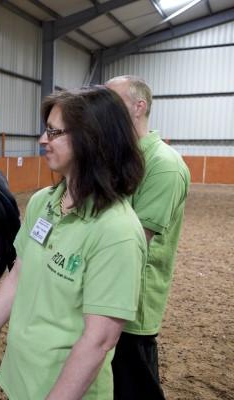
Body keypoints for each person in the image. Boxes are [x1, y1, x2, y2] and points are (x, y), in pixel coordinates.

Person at [0, 86, 148, 399]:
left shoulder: (117, 232)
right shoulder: (43, 202)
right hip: (21, 379)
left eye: (54, 132)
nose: (43, 140)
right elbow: (18, 277)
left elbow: (99, 341)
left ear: (91, 139)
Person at [106, 75, 191, 399]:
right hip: (103, 295)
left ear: (139, 106)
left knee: (134, 387)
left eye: (113, 101)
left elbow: (135, 242)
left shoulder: (164, 165)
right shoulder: (117, 158)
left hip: (132, 306)